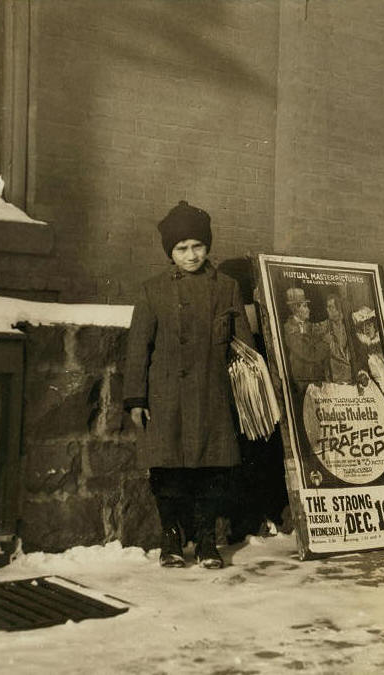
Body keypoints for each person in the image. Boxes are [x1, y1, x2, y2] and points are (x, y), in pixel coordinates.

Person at [122, 200, 254, 569]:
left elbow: (244, 346)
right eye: (181, 248)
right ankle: (171, 538)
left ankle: (207, 539)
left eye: (197, 246)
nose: (191, 255)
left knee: (212, 472)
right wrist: (136, 398)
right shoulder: (153, 291)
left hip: (212, 396)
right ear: (170, 252)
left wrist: (252, 390)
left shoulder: (226, 288)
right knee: (168, 472)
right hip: (166, 398)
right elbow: (138, 349)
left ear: (208, 246)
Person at [282, 286, 329, 388]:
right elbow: (308, 353)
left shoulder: (309, 325)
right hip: (303, 381)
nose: (308, 309)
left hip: (316, 377)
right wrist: (326, 343)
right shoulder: (289, 329)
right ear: (296, 308)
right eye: (305, 306)